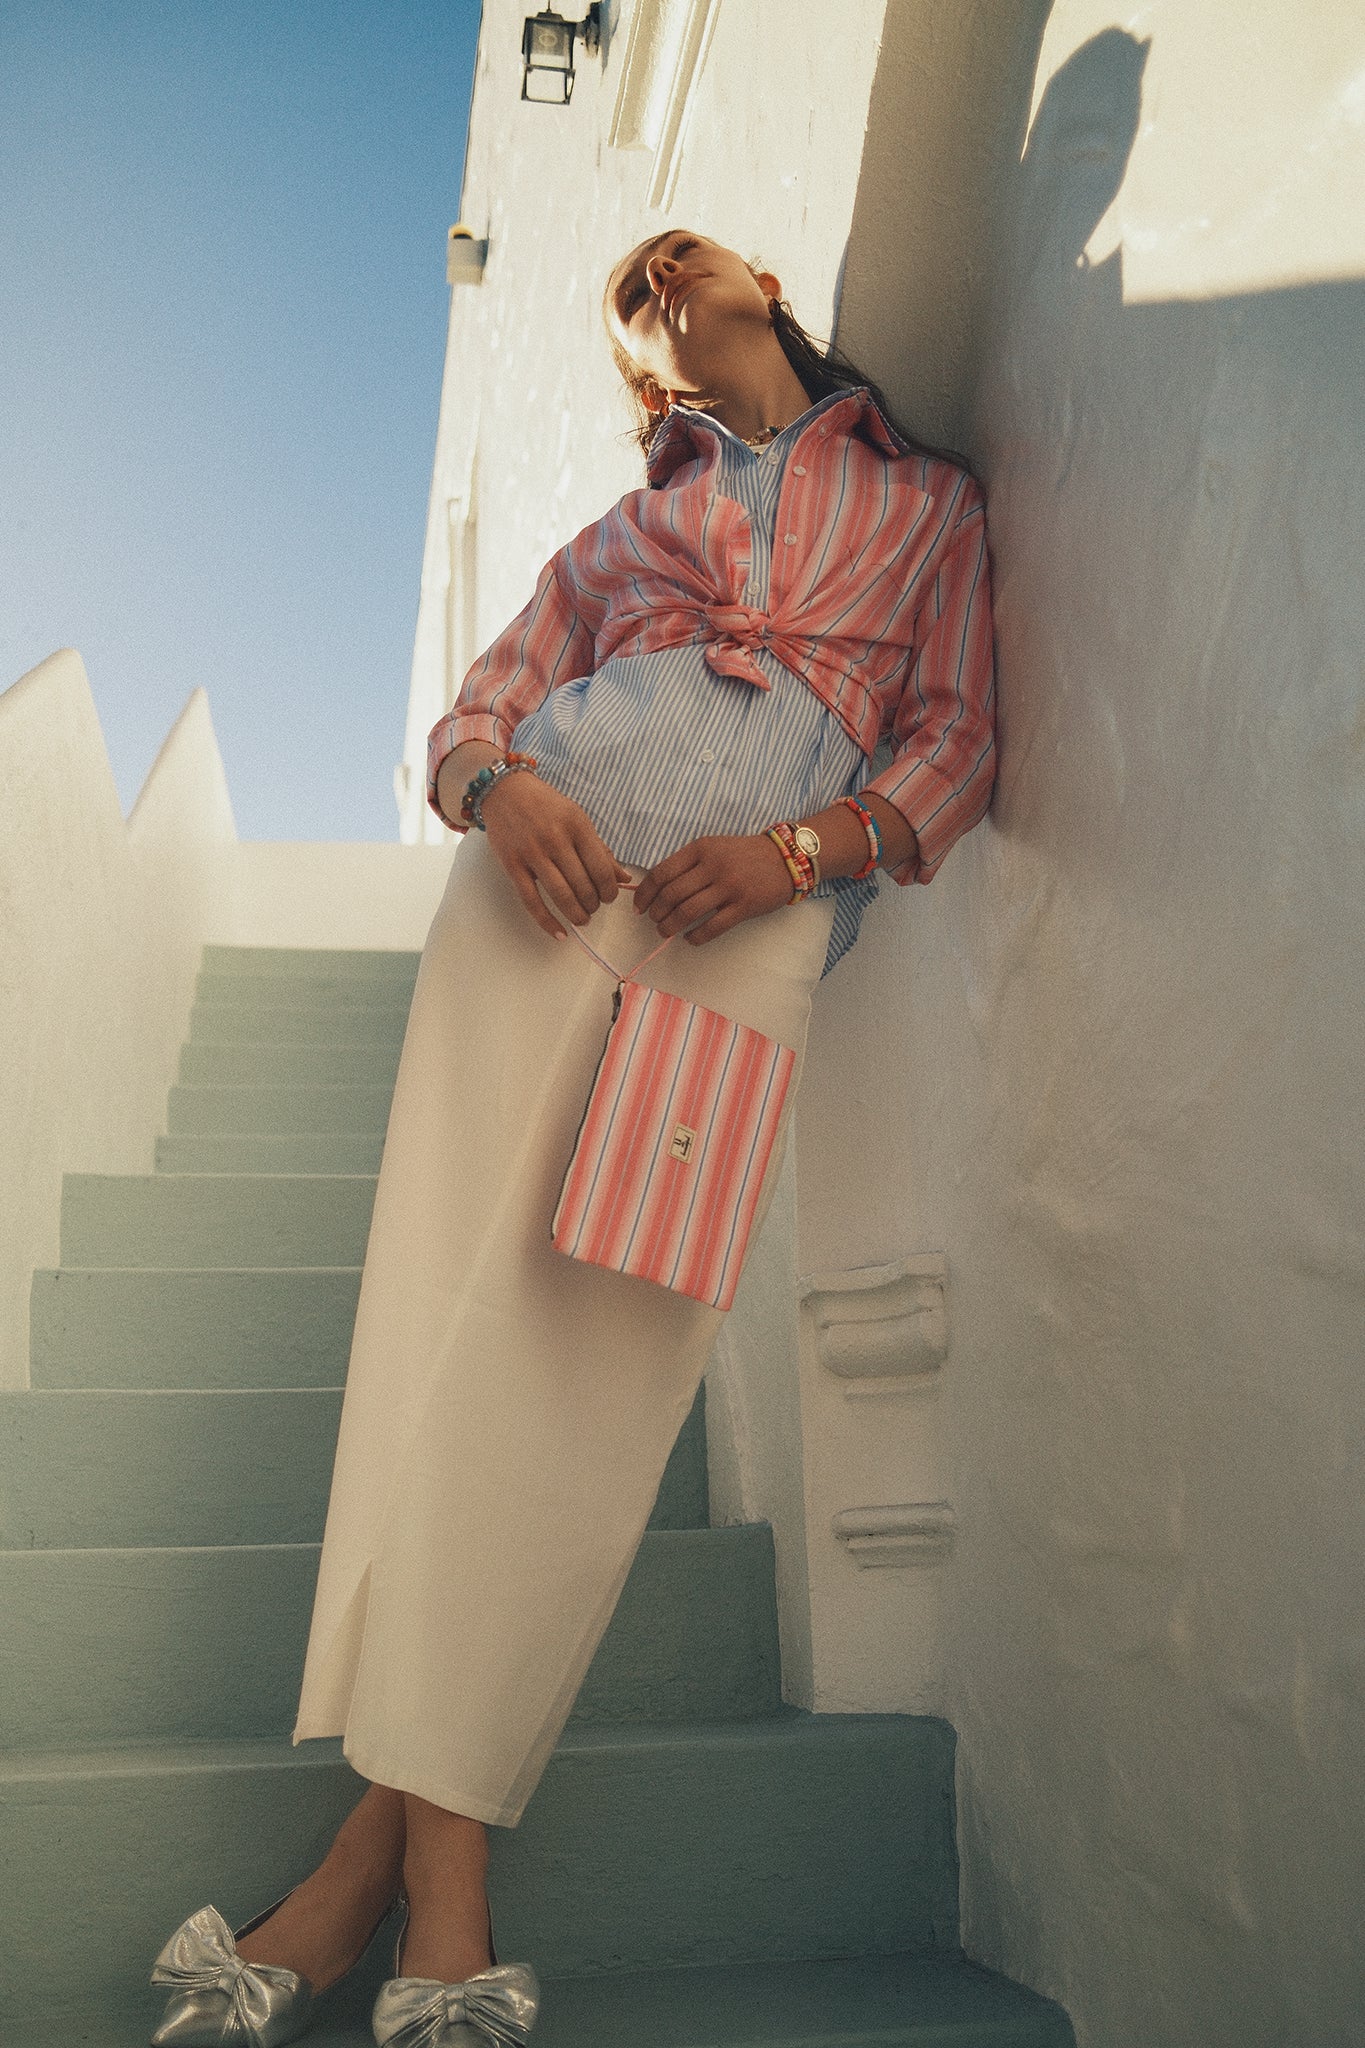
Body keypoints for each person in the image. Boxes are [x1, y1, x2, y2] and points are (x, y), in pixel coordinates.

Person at [147, 228, 996, 2048]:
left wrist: (795, 853)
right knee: (440, 1340)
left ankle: (350, 1886)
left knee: (596, 1388)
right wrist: (502, 785)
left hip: (743, 934)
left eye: (682, 260)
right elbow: (474, 710)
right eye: (631, 301)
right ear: (642, 376)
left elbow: (952, 746)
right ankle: (443, 1904)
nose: (661, 286)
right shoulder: (620, 533)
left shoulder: (925, 504)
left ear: (764, 286)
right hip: (528, 905)